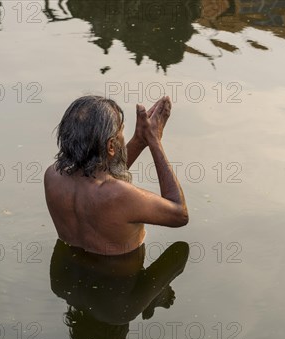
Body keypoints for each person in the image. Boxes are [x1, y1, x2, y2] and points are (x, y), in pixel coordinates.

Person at [44, 95, 188, 255]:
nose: (123, 134)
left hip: (68, 272)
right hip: (120, 277)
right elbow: (179, 214)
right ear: (111, 145)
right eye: (121, 130)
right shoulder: (121, 195)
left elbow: (104, 177)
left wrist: (140, 140)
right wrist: (154, 140)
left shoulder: (52, 176)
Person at [50, 240, 190, 339]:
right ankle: (151, 294)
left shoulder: (120, 314)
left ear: (117, 338)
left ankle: (155, 295)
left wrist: (158, 288)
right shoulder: (59, 286)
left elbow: (181, 251)